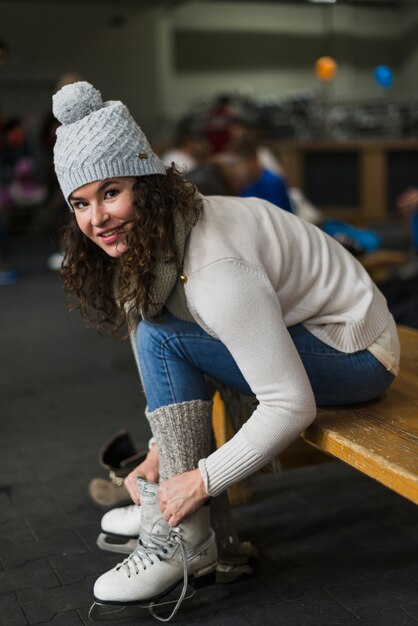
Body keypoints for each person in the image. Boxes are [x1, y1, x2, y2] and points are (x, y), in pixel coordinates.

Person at [52, 82, 399, 622]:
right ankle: (175, 521)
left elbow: (290, 404)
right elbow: (207, 344)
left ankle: (183, 537)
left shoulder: (215, 270)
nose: (96, 219)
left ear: (146, 183)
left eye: (111, 192)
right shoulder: (176, 229)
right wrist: (162, 452)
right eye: (81, 203)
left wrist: (201, 479)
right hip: (320, 332)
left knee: (158, 333)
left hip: (358, 351)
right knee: (160, 326)